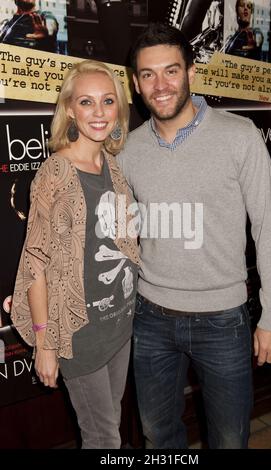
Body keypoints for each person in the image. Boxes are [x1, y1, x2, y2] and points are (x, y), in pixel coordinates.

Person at [117, 22, 271, 449]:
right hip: (151, 316)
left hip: (223, 319)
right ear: (136, 84)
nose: (160, 85)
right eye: (148, 74)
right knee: (159, 436)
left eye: (171, 71)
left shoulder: (239, 137)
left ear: (191, 73)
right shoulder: (127, 150)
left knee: (230, 439)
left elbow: (269, 228)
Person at [11, 59, 140, 449]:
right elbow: (36, 264)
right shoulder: (55, 173)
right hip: (78, 335)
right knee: (103, 439)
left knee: (110, 425)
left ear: (119, 107)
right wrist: (45, 344)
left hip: (120, 324)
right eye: (87, 102)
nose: (98, 113)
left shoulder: (112, 167)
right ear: (70, 108)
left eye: (107, 101)